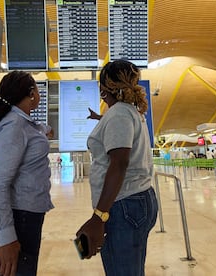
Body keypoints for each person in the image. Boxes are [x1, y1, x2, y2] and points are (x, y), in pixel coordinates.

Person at [76, 60, 158, 275]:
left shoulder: (120, 114)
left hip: (123, 204)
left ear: (103, 88)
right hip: (135, 199)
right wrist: (100, 118)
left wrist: (98, 217)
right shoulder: (129, 112)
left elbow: (119, 164)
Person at [0, 71, 54, 276]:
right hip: (18, 216)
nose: (38, 94)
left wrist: (46, 130)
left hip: (26, 214)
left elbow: (33, 130)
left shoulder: (22, 122)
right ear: (31, 93)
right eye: (37, 89)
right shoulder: (13, 127)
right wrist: (6, 238)